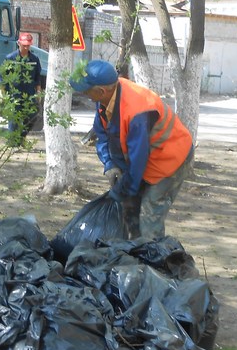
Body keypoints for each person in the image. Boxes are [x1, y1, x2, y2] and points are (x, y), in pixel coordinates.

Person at [70, 59, 194, 240]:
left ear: (101, 91)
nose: (84, 94)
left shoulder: (138, 111)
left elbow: (137, 162)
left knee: (149, 215)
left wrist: (122, 190)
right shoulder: (106, 98)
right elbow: (104, 134)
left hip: (171, 159)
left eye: (87, 90)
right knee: (130, 210)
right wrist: (110, 164)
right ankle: (134, 253)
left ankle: (151, 260)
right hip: (146, 157)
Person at [1, 32, 45, 140]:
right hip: (14, 94)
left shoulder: (34, 60)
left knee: (32, 116)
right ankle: (12, 142)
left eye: (28, 45)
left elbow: (37, 77)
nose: (26, 47)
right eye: (24, 45)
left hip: (29, 94)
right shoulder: (10, 58)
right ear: (18, 44)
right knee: (14, 118)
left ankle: (21, 137)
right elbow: (3, 76)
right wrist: (2, 92)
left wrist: (38, 92)